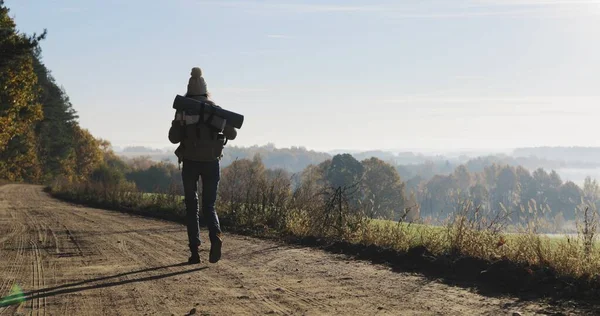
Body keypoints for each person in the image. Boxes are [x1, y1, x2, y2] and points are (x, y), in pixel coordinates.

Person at [168, 67, 238, 264]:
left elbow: (173, 139)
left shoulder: (184, 109)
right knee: (209, 205)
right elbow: (232, 134)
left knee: (192, 206)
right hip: (212, 163)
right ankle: (215, 236)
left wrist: (178, 123)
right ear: (206, 90)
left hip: (190, 162)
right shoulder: (215, 109)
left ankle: (195, 252)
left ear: (189, 90)